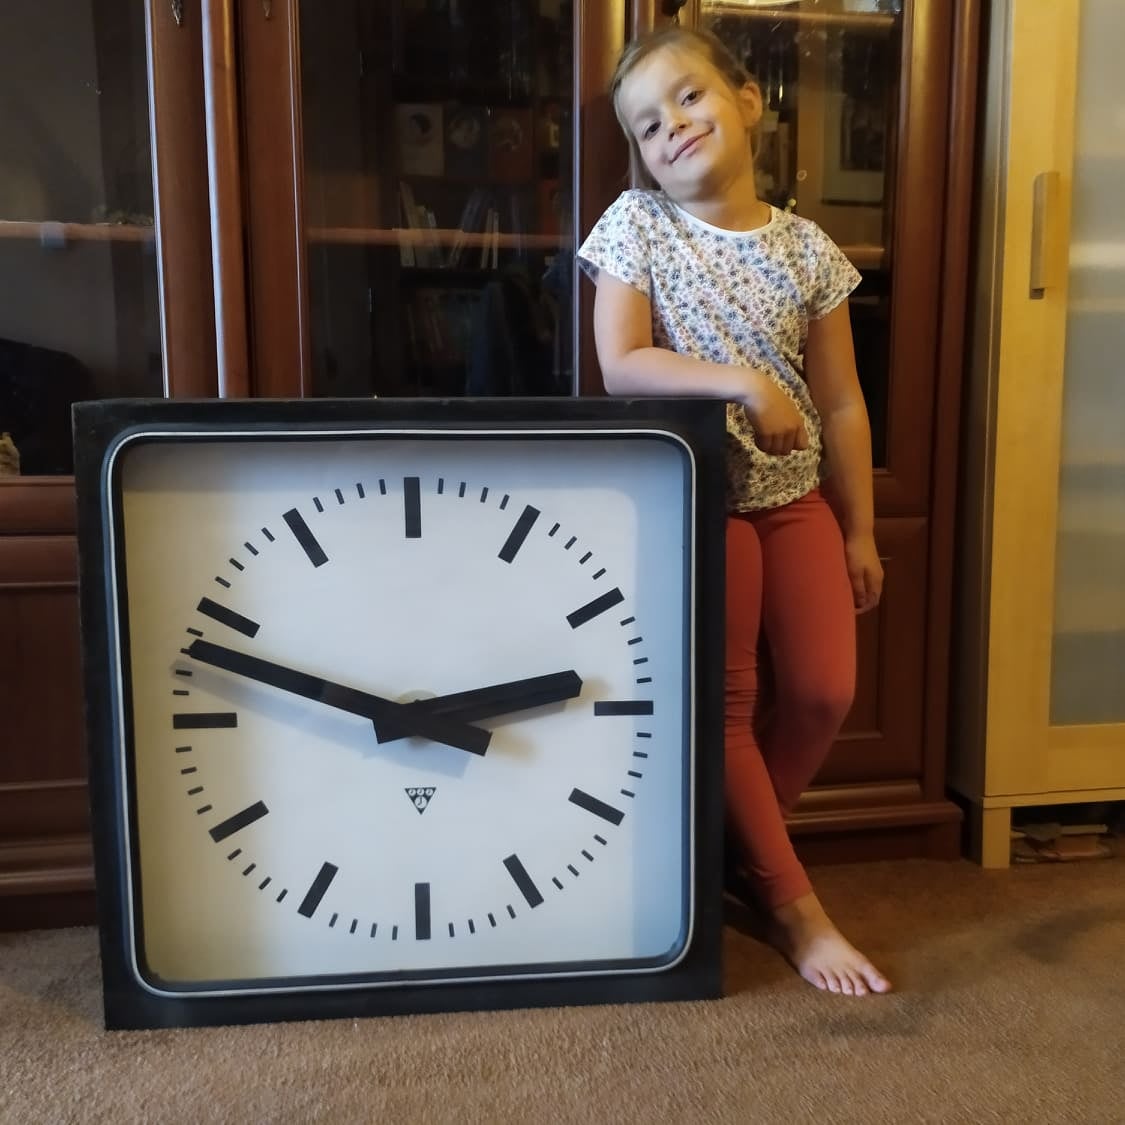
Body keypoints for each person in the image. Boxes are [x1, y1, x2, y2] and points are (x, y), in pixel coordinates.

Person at [576, 26, 891, 997]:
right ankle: (794, 907)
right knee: (728, 703)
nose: (670, 127)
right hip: (697, 499)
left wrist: (859, 526)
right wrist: (744, 383)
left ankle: (724, 860)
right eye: (646, 124)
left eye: (688, 97)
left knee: (824, 692)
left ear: (748, 101)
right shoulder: (636, 226)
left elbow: (841, 401)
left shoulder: (806, 247)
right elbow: (622, 363)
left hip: (792, 497)